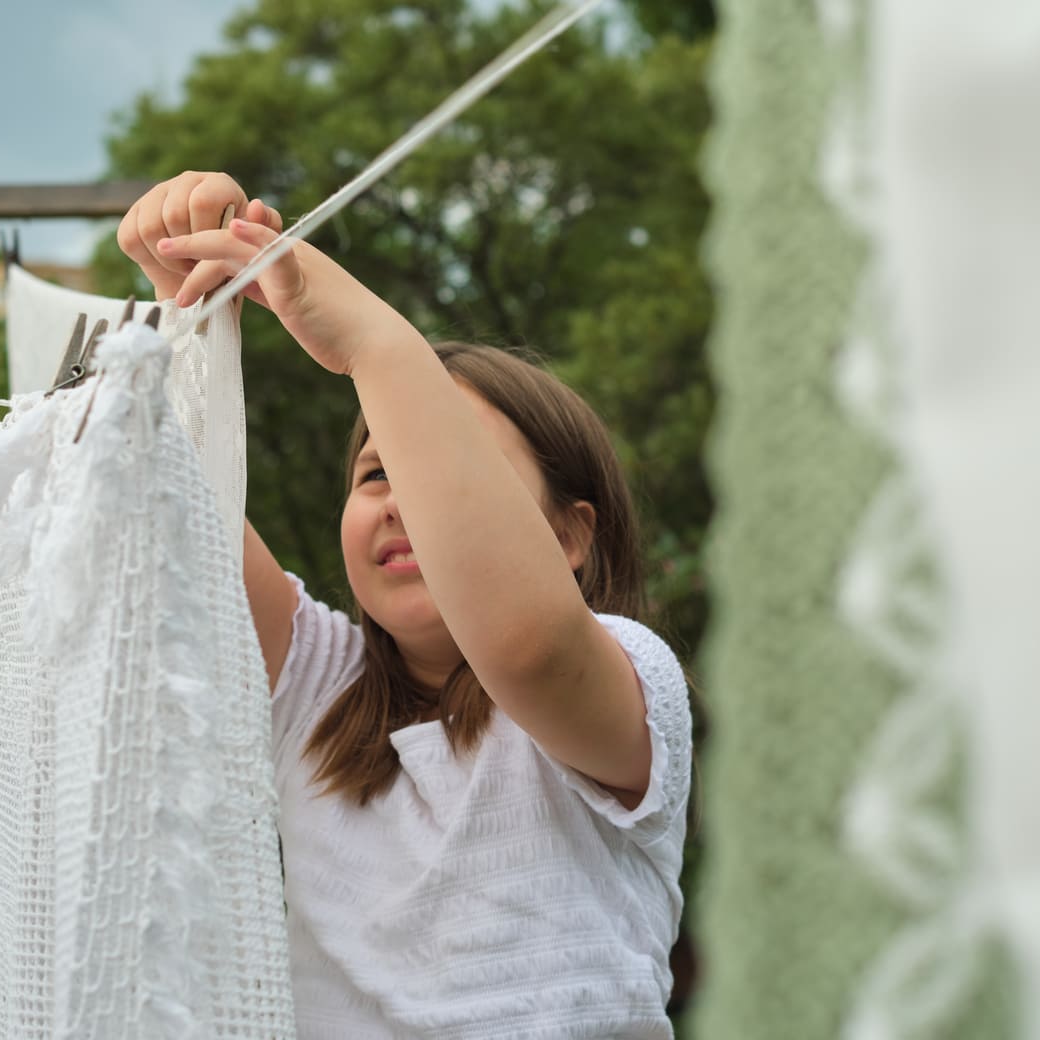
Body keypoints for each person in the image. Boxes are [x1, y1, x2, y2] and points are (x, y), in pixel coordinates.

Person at [119, 171, 692, 1039]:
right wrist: (189, 307)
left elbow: (525, 644)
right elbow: (184, 513)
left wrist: (377, 348)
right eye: (375, 473)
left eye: (436, 471)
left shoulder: (631, 676)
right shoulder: (316, 684)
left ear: (571, 539)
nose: (400, 499)